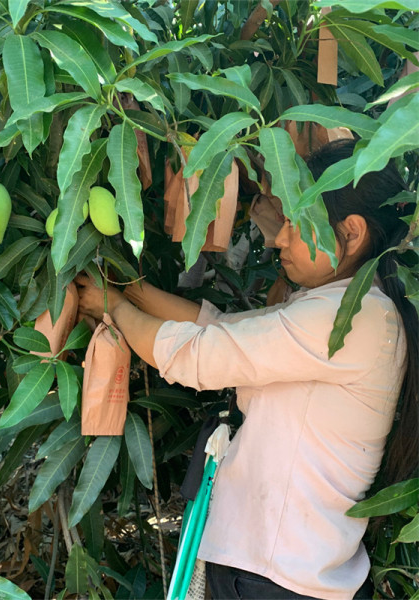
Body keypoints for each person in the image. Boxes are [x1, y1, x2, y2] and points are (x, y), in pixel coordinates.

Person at [75, 139, 418, 600]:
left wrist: (111, 304)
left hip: (275, 579)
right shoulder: (350, 306)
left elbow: (199, 355)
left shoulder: (350, 320)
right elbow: (222, 328)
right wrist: (129, 290)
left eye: (296, 223)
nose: (280, 237)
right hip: (288, 570)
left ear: (353, 233)